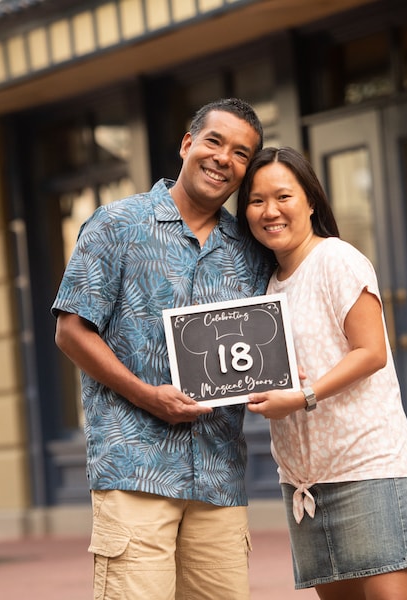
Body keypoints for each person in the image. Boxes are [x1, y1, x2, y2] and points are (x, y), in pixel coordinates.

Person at [51, 98, 271, 600]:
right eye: (214, 141)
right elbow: (71, 331)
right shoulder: (117, 225)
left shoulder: (248, 249)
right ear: (188, 144)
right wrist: (149, 396)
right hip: (135, 468)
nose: (223, 158)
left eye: (240, 153)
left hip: (218, 476)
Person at [236, 147, 407, 600]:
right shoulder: (268, 284)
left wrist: (302, 396)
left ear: (310, 201)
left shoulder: (337, 259)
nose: (270, 211)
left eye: (283, 196)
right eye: (256, 200)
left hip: (366, 467)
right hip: (305, 483)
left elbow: (372, 352)